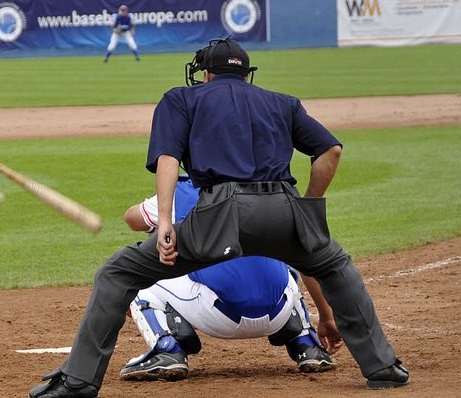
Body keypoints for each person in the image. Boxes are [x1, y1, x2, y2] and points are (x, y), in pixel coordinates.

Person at [29, 38, 409, 398]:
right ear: (247, 73)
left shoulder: (180, 99)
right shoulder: (284, 102)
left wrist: (164, 222)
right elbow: (331, 151)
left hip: (221, 212)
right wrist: (308, 207)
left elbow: (168, 159)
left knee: (120, 272)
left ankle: (78, 381)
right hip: (284, 206)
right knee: (337, 267)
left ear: (205, 74)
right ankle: (383, 368)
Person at [119, 175, 340, 381]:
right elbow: (309, 263)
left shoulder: (184, 190)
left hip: (217, 317)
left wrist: (164, 222)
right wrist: (327, 317)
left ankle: (168, 348)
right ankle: (306, 342)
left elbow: (132, 219)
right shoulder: (274, 188)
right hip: (278, 314)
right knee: (286, 268)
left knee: (140, 272)